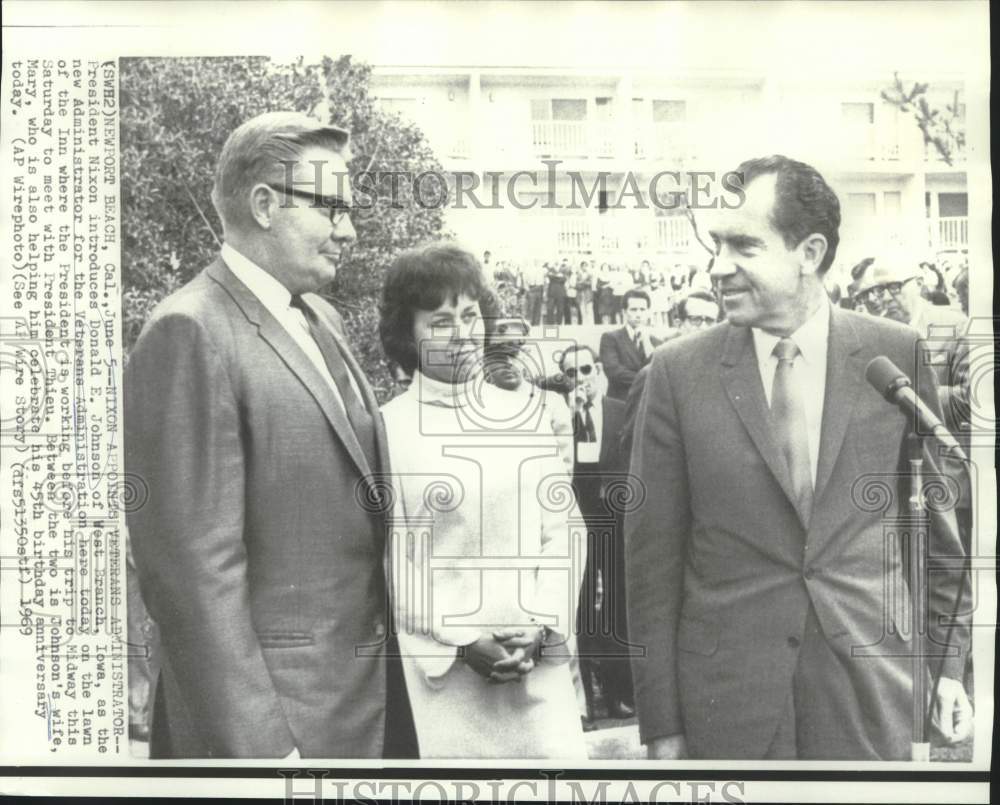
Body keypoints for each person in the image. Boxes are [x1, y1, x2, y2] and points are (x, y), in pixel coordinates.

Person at [626, 155, 972, 760]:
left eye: (743, 247)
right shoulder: (677, 374)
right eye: (716, 245)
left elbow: (935, 534)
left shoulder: (893, 355)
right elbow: (649, 564)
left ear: (809, 252)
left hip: (868, 693)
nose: (718, 267)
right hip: (727, 700)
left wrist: (947, 665)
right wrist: (662, 724)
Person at [124, 111, 415, 758]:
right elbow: (193, 580)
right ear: (262, 204)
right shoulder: (190, 331)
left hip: (362, 716)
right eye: (332, 209)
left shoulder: (322, 318)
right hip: (274, 741)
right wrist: (263, 757)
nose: (350, 230)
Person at [378, 243, 587, 759]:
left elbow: (564, 530)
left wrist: (542, 627)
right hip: (448, 678)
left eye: (470, 314)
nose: (464, 332)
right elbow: (395, 559)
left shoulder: (527, 412)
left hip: (535, 669)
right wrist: (464, 641)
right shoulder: (387, 429)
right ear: (410, 335)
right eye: (441, 320)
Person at [559, 345, 636, 721]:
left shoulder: (621, 411)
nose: (579, 379)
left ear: (599, 370)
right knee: (584, 606)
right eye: (571, 373)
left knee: (618, 605)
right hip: (578, 524)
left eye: (585, 369)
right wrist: (570, 416)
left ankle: (619, 690)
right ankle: (586, 697)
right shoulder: (561, 416)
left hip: (615, 523)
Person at [599, 289, 661, 400]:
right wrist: (650, 379)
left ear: (648, 312)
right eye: (633, 310)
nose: (638, 314)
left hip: (647, 404)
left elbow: (659, 371)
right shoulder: (610, 338)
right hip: (620, 403)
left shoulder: (656, 342)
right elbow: (614, 372)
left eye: (642, 310)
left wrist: (647, 343)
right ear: (624, 312)